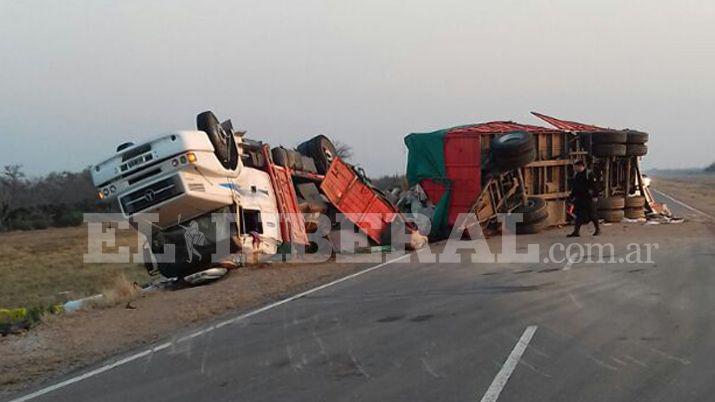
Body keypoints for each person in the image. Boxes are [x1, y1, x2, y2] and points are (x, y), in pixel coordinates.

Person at [568, 160, 600, 237]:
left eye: (575, 167)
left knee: (592, 214)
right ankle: (576, 231)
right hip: (579, 198)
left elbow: (595, 186)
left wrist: (595, 196)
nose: (574, 168)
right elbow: (575, 187)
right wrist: (572, 196)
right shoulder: (577, 175)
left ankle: (598, 229)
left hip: (588, 198)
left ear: (580, 166)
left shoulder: (589, 174)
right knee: (578, 215)